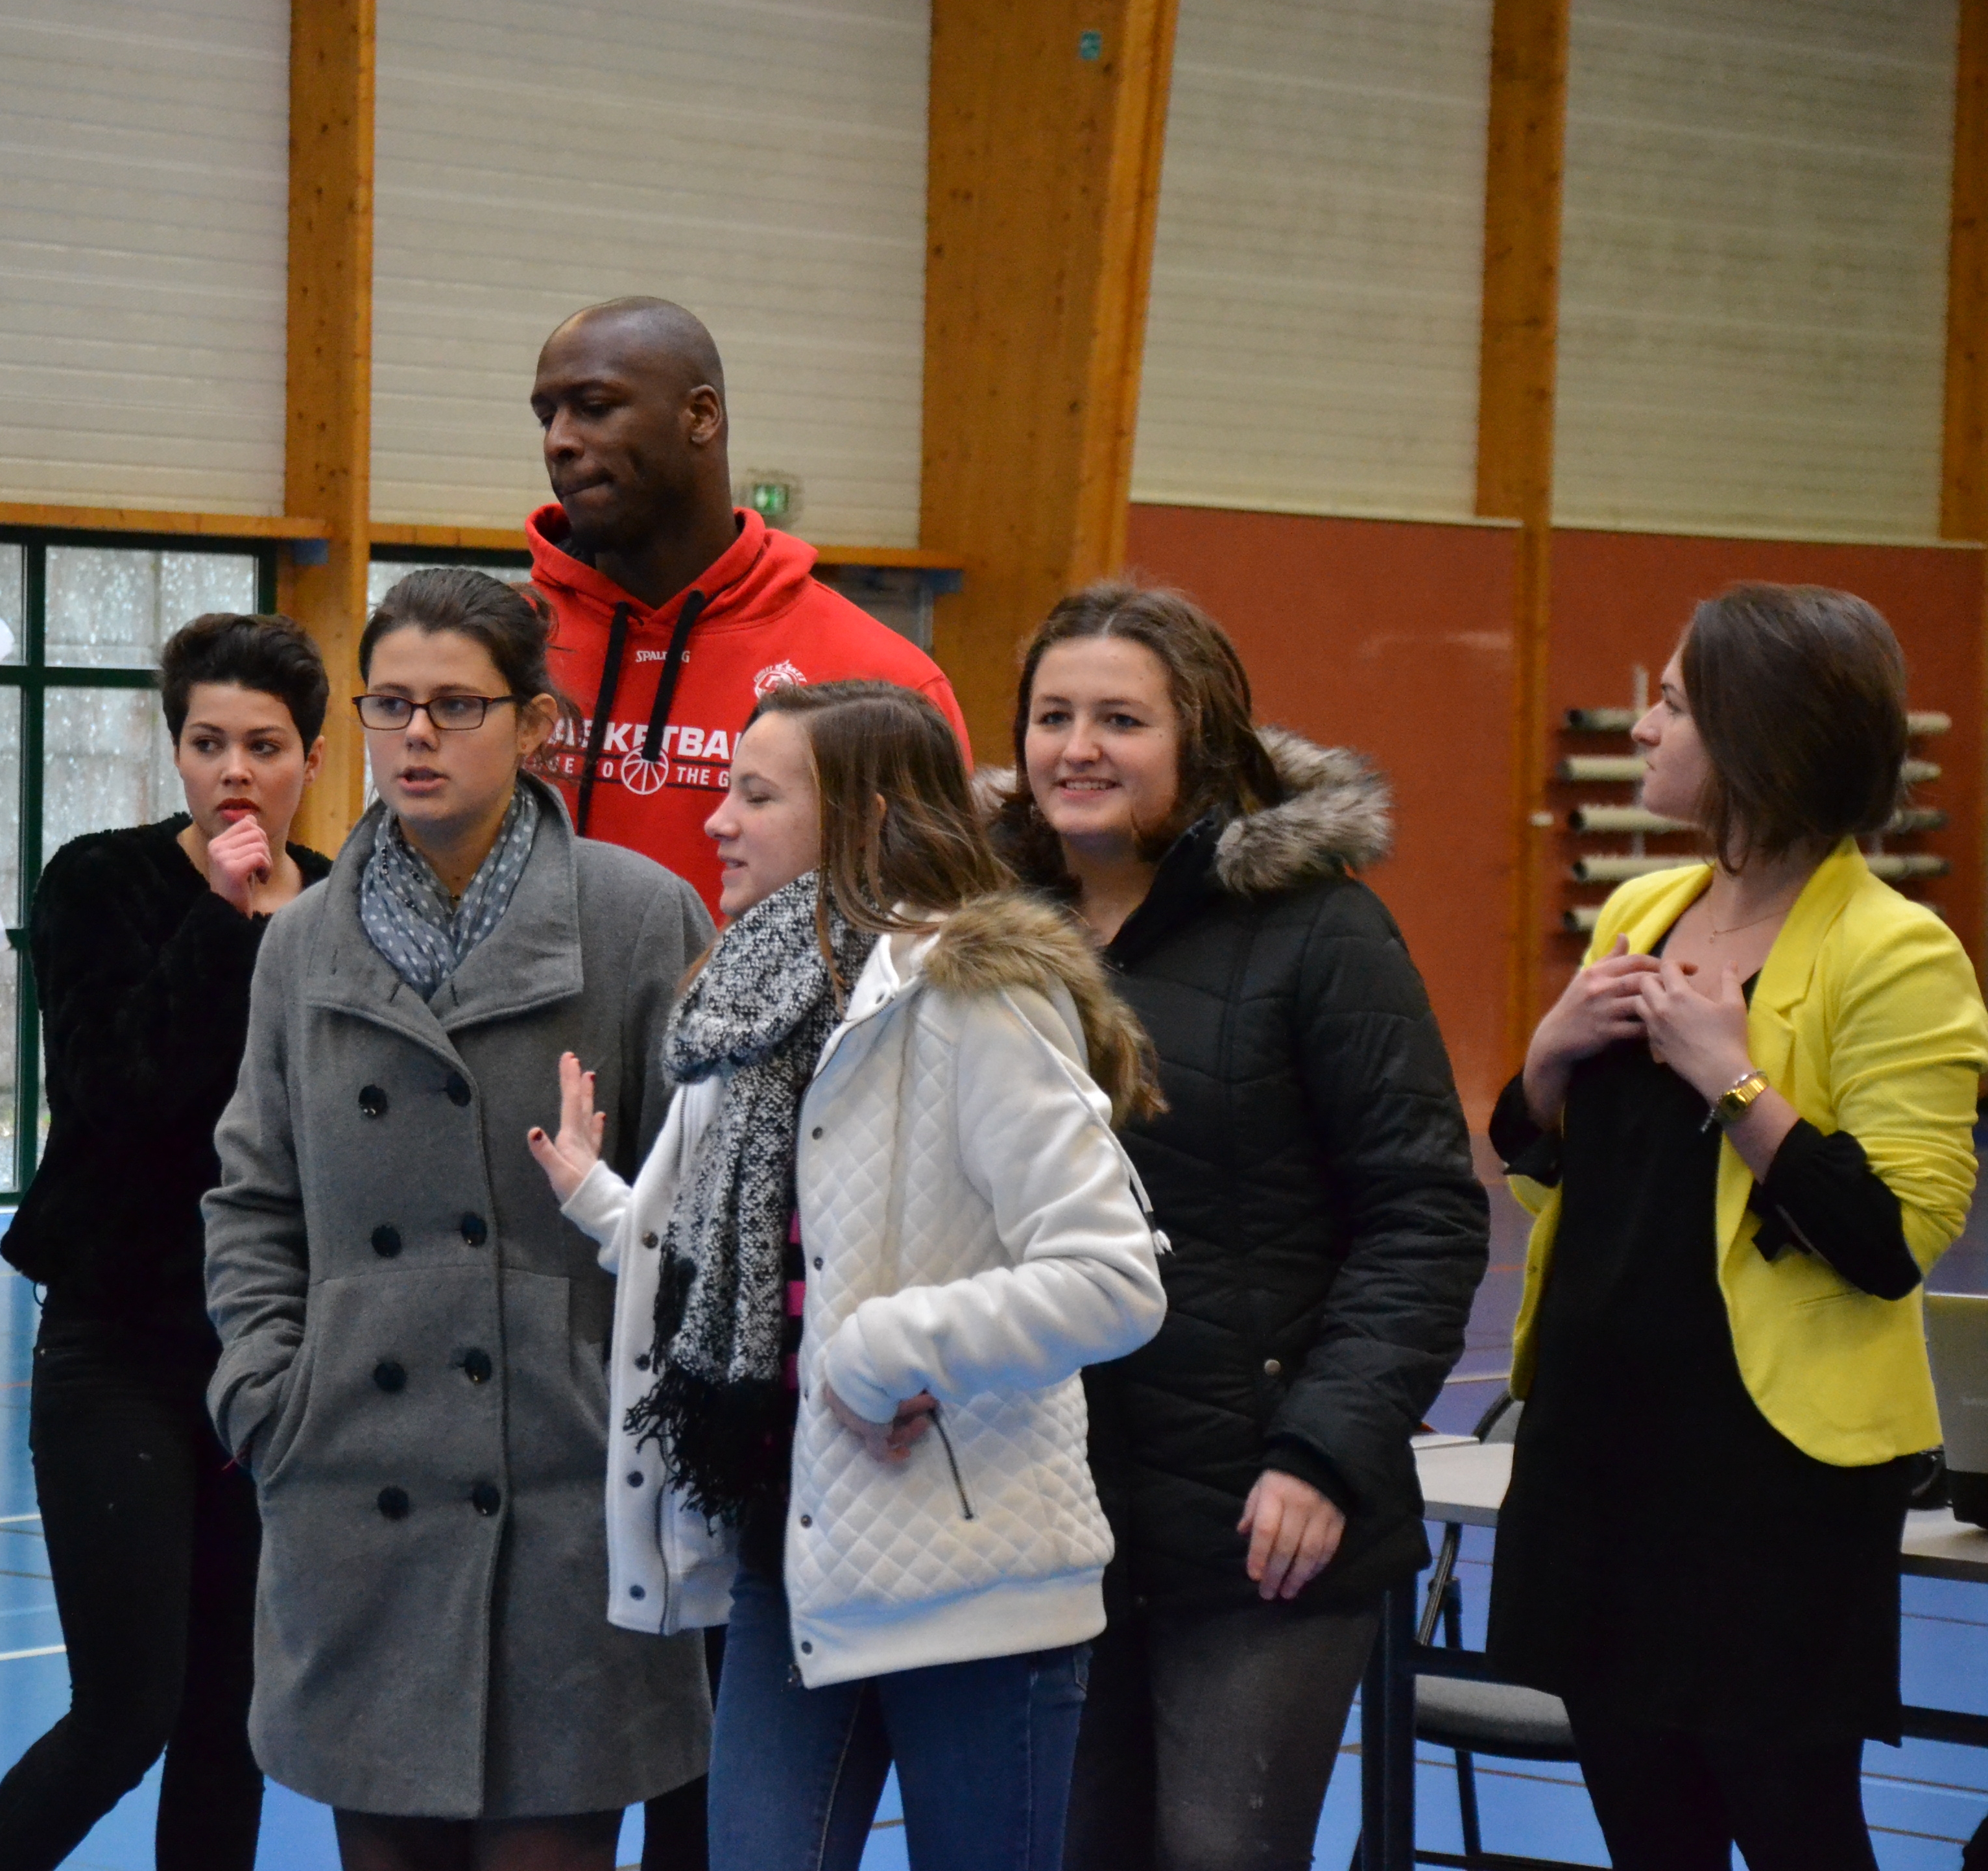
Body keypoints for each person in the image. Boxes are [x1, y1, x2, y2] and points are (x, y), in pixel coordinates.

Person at [531, 679, 1167, 1871]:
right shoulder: (748, 1010)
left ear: (863, 818)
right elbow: (753, 1271)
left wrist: (877, 1352)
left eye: (755, 795)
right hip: (792, 1553)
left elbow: (1111, 1277)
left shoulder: (972, 999)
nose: (716, 821)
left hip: (971, 1585)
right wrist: (601, 1202)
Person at [203, 566, 717, 1871]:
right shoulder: (302, 941)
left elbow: (714, 1203)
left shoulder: (639, 917)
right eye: (391, 706)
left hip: (571, 1504)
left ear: (535, 726)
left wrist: (637, 1412)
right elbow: (253, 1195)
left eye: (455, 706)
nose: (417, 736)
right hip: (354, 1495)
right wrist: (272, 1390)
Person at [984, 583, 1489, 1871]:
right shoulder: (985, 944)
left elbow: (1422, 1214)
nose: (1078, 747)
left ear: (1199, 742)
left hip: (1263, 1524)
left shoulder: (1320, 934)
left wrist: (1322, 1455)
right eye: (1053, 715)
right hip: (1047, 1517)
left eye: (1120, 719)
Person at [1487, 583, 1988, 1870]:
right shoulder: (1641, 914)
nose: (1644, 732)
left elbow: (1891, 1240)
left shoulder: (1900, 953)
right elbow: (1583, 1184)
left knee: (1791, 1819)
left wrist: (1737, 1079)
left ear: (1762, 738)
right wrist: (1541, 1073)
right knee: (1644, 1824)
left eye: (1669, 703)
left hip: (1767, 1475)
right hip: (1602, 1443)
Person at [0, 614, 336, 1871]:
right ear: (175, 753)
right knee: (129, 1709)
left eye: (266, 746)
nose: (236, 771)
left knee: (233, 1721)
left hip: (276, 1358)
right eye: (208, 742)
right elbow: (116, 1095)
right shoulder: (99, 883)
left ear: (311, 760)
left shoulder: (344, 905)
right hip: (119, 1343)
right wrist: (226, 917)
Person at [525, 296, 966, 910]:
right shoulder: (502, 649)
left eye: (595, 409)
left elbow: (927, 930)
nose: (559, 441)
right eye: (547, 417)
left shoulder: (881, 679)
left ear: (701, 416)